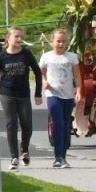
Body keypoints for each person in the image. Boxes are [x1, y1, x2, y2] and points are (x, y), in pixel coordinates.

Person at [0, 26, 42, 168]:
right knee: (11, 124)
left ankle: (24, 150)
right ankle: (14, 157)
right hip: (7, 93)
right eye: (16, 36)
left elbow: (37, 72)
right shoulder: (2, 56)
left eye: (20, 36)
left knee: (27, 124)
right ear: (8, 38)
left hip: (23, 94)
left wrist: (38, 93)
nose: (19, 39)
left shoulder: (26, 54)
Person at [39, 29, 79, 169]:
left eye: (63, 41)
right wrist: (44, 82)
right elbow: (41, 73)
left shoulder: (72, 57)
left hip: (68, 95)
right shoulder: (46, 57)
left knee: (66, 125)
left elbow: (77, 76)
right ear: (52, 42)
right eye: (58, 41)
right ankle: (58, 157)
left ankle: (63, 155)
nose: (61, 44)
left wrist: (79, 90)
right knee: (58, 123)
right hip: (53, 94)